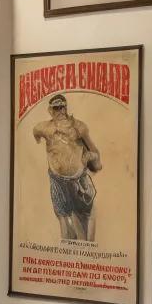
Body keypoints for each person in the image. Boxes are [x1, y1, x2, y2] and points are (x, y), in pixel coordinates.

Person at [33, 93, 101, 242]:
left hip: (78, 180)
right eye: (57, 108)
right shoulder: (44, 128)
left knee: (86, 219)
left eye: (64, 107)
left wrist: (92, 159)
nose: (62, 111)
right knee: (66, 225)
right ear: (51, 111)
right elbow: (36, 133)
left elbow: (95, 153)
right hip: (57, 181)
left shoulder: (79, 127)